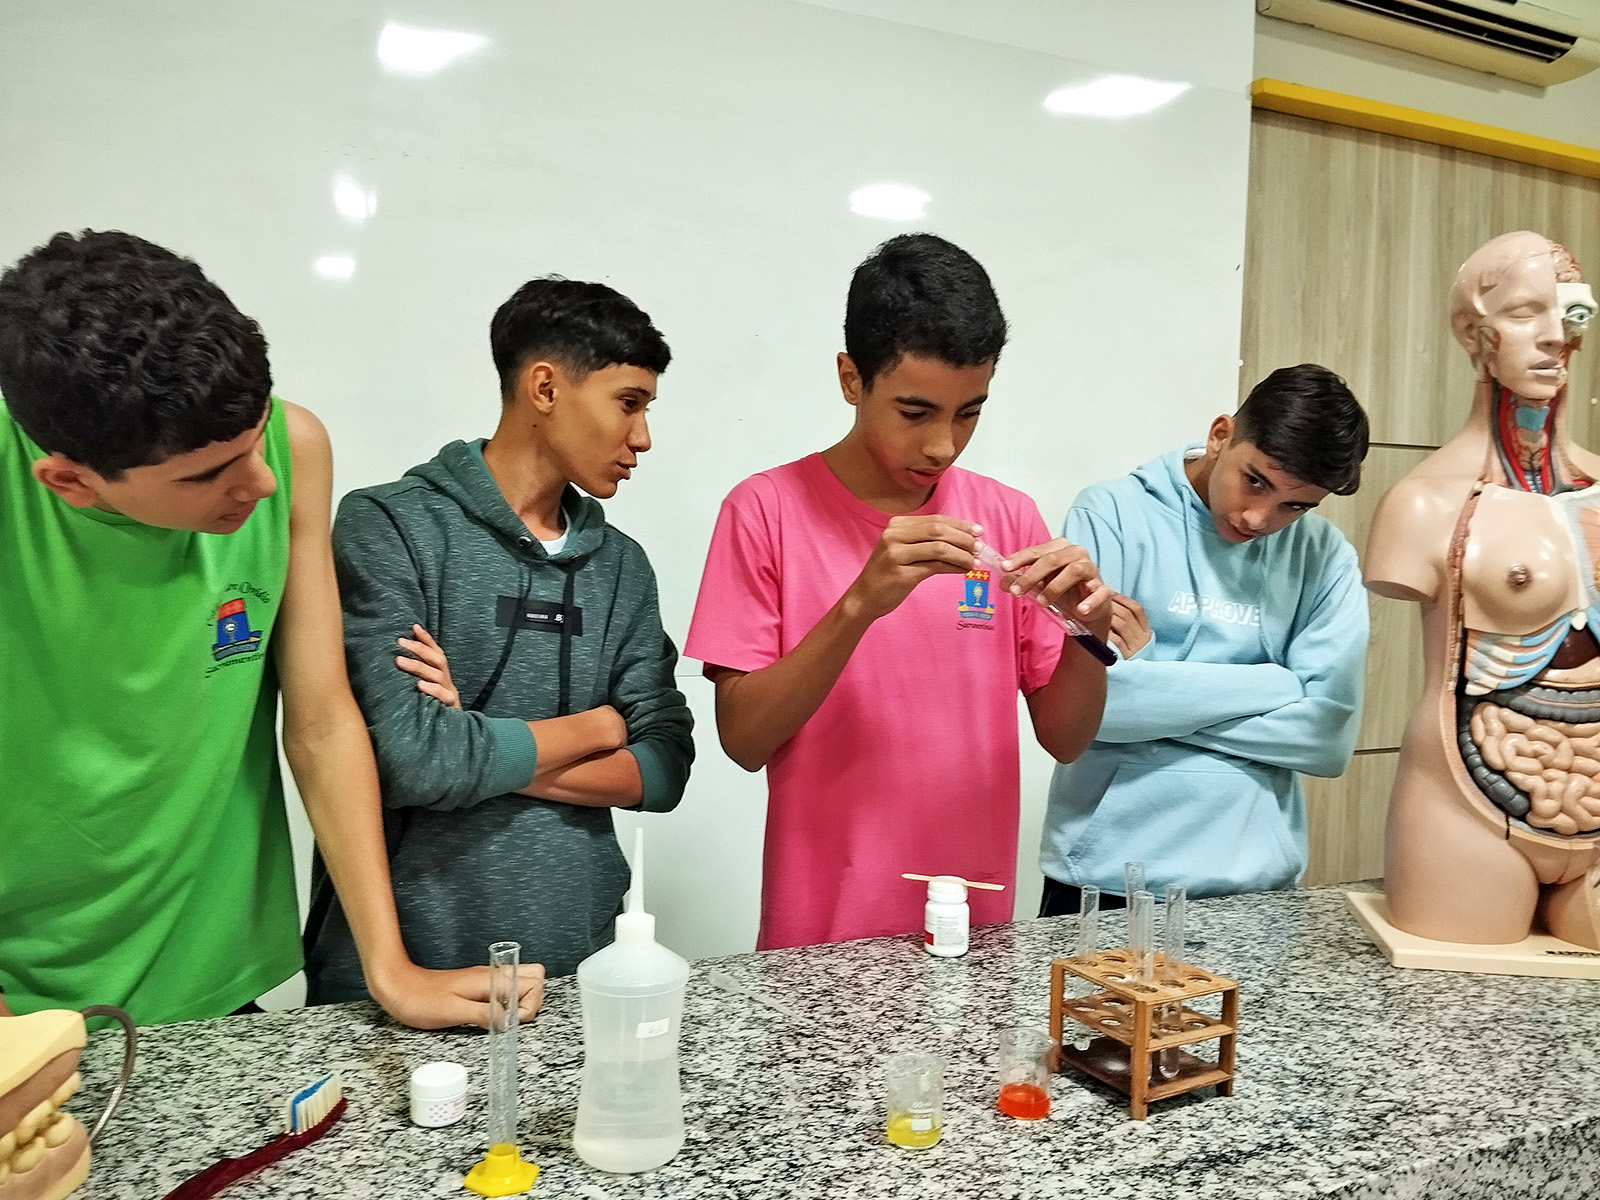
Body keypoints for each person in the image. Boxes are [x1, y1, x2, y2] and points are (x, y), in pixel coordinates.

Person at [0, 229, 534, 1026]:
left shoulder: (293, 448)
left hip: (211, 977)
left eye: (255, 439)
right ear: (70, 482)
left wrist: (391, 969)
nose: (261, 482)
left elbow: (320, 722)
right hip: (23, 990)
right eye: (208, 474)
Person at [685, 232, 1112, 950]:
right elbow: (744, 740)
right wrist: (860, 604)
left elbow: (1065, 740)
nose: (943, 445)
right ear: (851, 378)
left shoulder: (1006, 517)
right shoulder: (764, 510)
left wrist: (1087, 632)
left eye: (969, 411)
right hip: (819, 942)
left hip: (973, 936)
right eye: (916, 413)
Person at [302, 277, 693, 1002]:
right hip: (400, 982)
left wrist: (470, 737)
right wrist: (598, 728)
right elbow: (410, 761)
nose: (642, 436)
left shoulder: (622, 567)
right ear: (545, 388)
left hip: (579, 972)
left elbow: (664, 768)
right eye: (629, 402)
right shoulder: (388, 527)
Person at [1037, 364, 1371, 915]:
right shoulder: (1111, 514)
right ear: (1221, 435)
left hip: (1260, 886)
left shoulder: (1325, 556)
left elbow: (1327, 739)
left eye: (1295, 506)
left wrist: (1152, 680)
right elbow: (1096, 710)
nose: (1259, 518)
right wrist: (1276, 684)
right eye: (1255, 480)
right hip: (1104, 878)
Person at [1366, 231, 1600, 947]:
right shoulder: (1424, 502)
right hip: (1464, 806)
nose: (1555, 336)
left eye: (1572, 313)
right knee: (1463, 1008)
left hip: (1589, 791)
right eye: (1526, 313)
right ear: (1475, 333)